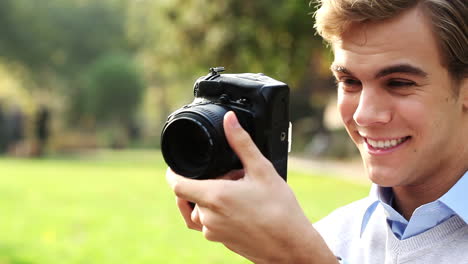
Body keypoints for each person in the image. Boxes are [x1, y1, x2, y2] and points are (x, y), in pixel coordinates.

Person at [166, 0, 468, 263]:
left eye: (399, 83)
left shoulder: (306, 250)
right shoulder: (331, 237)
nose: (364, 114)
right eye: (349, 82)